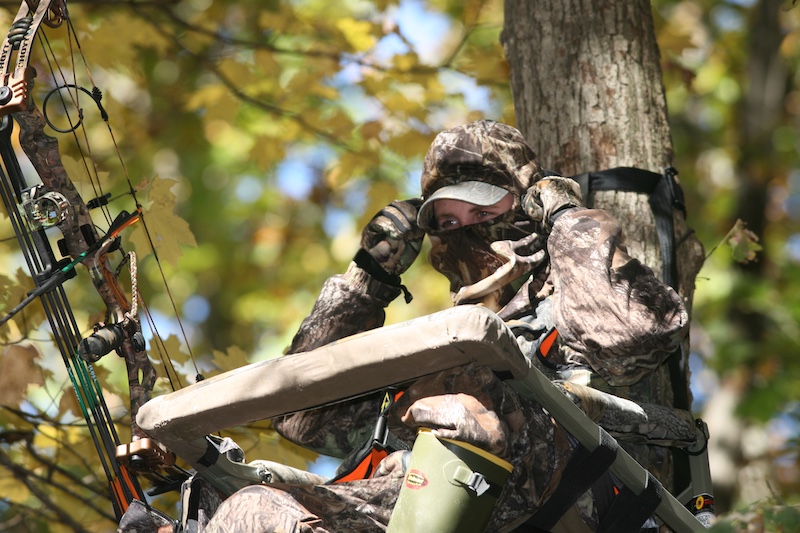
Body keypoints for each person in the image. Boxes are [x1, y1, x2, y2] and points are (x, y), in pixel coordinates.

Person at [194, 120, 689, 532]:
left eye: (482, 210)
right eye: (448, 224)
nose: (466, 233)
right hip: (397, 505)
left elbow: (637, 333)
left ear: (527, 206)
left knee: (466, 390)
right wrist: (370, 274)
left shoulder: (580, 301)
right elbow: (303, 418)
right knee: (247, 507)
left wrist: (564, 214)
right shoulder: (442, 344)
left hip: (555, 502)